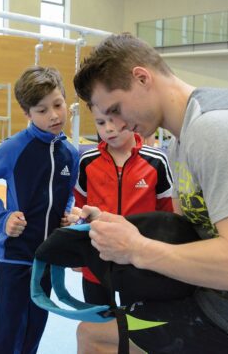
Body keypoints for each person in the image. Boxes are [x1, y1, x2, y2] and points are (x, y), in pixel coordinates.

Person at [72, 33, 228, 353]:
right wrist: (114, 226)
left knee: (96, 339)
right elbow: (182, 233)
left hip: (227, 316)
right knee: (94, 330)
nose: (116, 124)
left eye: (116, 108)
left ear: (142, 78)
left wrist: (137, 249)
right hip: (210, 300)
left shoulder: (212, 129)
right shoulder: (178, 144)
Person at [0, 66, 79, 354]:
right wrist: (1, 218)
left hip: (47, 258)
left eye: (57, 104)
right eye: (41, 110)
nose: (53, 115)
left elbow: (67, 193)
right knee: (6, 333)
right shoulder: (15, 147)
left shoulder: (71, 153)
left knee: (34, 328)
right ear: (27, 114)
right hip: (15, 258)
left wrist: (67, 215)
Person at [74, 104, 173, 305]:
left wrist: (165, 256)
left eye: (113, 120)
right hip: (96, 261)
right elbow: (79, 212)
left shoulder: (156, 161)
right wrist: (78, 254)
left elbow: (169, 215)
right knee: (100, 327)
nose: (108, 129)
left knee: (138, 329)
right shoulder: (87, 162)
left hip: (139, 263)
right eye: (100, 123)